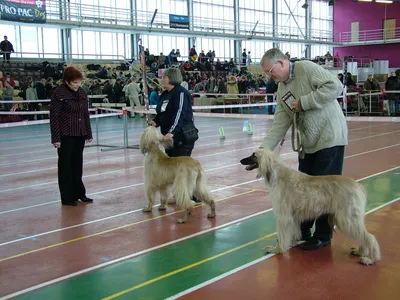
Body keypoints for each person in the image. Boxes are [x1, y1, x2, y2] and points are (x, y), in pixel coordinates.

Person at [252, 48, 348, 250]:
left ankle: (323, 235)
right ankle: (301, 232)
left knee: (323, 191)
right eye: (267, 74)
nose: (270, 77)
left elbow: (335, 86)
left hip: (329, 138)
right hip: (308, 144)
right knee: (303, 191)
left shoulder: (306, 68)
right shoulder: (281, 89)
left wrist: (305, 102)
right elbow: (280, 122)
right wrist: (262, 151)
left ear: (281, 62)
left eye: (271, 72)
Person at [148, 67, 200, 202]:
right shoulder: (164, 94)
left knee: (182, 168)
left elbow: (179, 114)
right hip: (168, 138)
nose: (162, 79)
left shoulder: (181, 93)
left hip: (182, 136)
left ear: (171, 78)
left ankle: (191, 195)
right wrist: (155, 122)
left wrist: (172, 132)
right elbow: (162, 113)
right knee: (174, 169)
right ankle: (181, 194)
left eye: (164, 77)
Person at [50, 66, 94, 206]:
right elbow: (54, 117)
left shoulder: (82, 93)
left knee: (77, 164)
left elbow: (85, 114)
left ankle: (79, 193)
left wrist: (88, 133)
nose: (77, 85)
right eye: (74, 83)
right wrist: (56, 138)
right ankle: (67, 197)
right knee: (65, 166)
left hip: (79, 133)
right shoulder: (59, 93)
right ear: (67, 81)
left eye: (79, 82)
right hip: (65, 135)